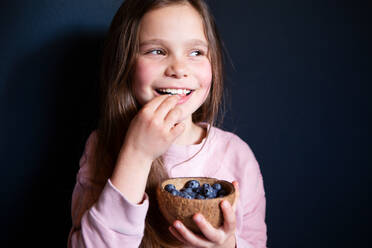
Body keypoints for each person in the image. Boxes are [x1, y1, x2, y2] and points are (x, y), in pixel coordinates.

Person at [68, 0, 267, 247]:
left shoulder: (237, 155)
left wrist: (228, 244)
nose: (179, 69)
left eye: (196, 52)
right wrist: (137, 155)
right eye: (157, 51)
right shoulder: (102, 146)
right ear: (125, 63)